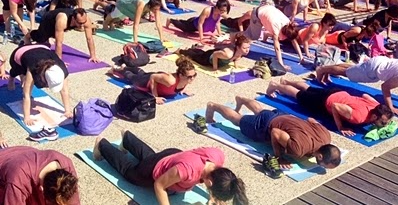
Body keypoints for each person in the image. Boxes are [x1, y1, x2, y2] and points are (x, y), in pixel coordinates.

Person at [93, 130, 248, 205]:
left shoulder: (218, 157)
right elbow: (159, 185)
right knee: (131, 172)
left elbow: (216, 180)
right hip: (160, 167)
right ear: (211, 183)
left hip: (174, 156)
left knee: (150, 157)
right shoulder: (187, 171)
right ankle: (102, 144)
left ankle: (127, 138)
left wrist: (214, 198)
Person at [203, 96, 341, 175]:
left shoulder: (326, 136)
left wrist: (298, 129)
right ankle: (213, 106)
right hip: (266, 125)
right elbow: (275, 133)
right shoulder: (299, 149)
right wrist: (279, 157)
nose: (321, 166)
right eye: (323, 165)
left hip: (284, 116)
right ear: (320, 156)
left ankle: (241, 100)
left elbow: (311, 120)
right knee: (238, 120)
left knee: (261, 110)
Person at [315, 57, 398, 117]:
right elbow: (385, 87)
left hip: (380, 63)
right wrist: (391, 108)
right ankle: (322, 69)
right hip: (374, 70)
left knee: (352, 69)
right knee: (347, 74)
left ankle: (327, 70)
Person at [266, 78, 393, 137]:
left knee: (308, 88)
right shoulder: (359, 117)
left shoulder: (377, 105)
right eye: (383, 122)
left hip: (338, 93)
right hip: (325, 101)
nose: (384, 125)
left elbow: (365, 95)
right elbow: (335, 106)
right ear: (375, 116)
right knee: (297, 94)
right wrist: (340, 127)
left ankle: (287, 81)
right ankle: (276, 85)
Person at [5, 44, 71, 128]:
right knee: (18, 71)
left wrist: (67, 111)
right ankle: (11, 77)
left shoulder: (61, 70)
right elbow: (26, 95)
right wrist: (27, 117)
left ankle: (22, 75)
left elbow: (65, 91)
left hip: (42, 49)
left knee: (26, 71)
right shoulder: (33, 68)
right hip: (19, 53)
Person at [0, 146, 80, 204]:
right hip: (5, 161)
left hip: (23, 155)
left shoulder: (67, 167)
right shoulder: (18, 180)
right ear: (41, 190)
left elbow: (74, 201)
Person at [109, 55, 196, 104]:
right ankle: (114, 70)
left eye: (194, 75)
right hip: (147, 81)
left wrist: (183, 89)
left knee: (141, 73)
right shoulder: (170, 81)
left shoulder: (186, 78)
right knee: (132, 78)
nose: (192, 78)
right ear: (180, 75)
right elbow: (153, 77)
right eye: (189, 77)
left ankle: (126, 66)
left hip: (158, 77)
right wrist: (155, 97)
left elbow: (187, 79)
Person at [235, 4, 300, 68]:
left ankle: (237, 36)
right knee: (253, 37)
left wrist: (301, 57)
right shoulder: (276, 28)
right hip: (257, 14)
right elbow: (277, 48)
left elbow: (293, 40)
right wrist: (281, 64)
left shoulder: (289, 25)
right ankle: (234, 37)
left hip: (266, 9)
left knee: (251, 34)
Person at [25, 8, 99, 62]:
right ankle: (27, 36)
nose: (82, 25)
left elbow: (89, 39)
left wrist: (93, 56)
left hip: (59, 22)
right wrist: (59, 61)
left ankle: (48, 38)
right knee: (41, 38)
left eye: (84, 22)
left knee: (51, 36)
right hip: (48, 20)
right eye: (80, 23)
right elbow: (59, 42)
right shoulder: (63, 20)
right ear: (73, 18)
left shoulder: (85, 20)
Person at [176, 33, 251, 71]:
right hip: (208, 58)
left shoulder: (241, 51)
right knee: (194, 57)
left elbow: (237, 58)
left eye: (248, 47)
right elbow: (215, 55)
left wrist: (236, 66)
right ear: (238, 47)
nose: (247, 50)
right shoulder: (228, 54)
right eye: (244, 48)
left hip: (216, 53)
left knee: (200, 53)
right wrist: (215, 68)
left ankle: (192, 49)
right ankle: (180, 51)